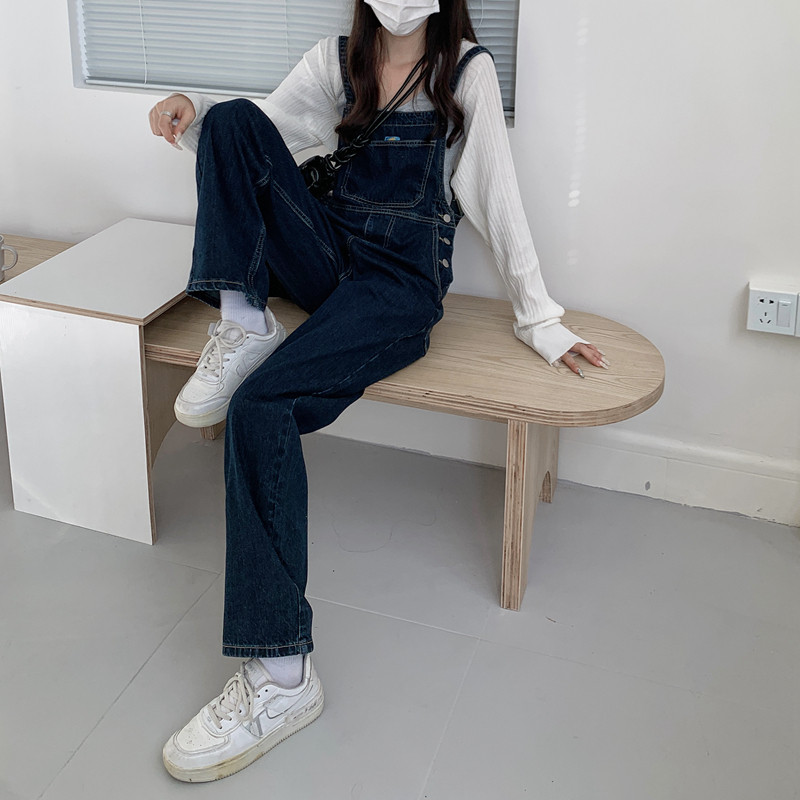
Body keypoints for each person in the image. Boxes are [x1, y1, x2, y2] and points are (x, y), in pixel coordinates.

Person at [149, 0, 608, 783]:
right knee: (230, 120)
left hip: (397, 285)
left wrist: (541, 319)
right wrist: (192, 116)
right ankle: (243, 321)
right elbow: (260, 141)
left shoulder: (464, 72)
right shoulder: (337, 62)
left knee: (260, 406)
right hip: (329, 254)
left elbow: (497, 196)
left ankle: (283, 678)